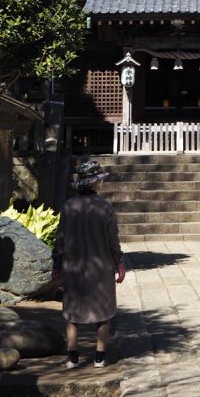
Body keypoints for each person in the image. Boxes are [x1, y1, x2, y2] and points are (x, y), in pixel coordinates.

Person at [52, 158, 125, 369]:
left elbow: (60, 239)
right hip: (101, 267)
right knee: (103, 313)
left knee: (72, 313)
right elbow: (113, 241)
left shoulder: (68, 207)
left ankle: (72, 357)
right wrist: (119, 263)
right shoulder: (105, 207)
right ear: (95, 183)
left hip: (73, 267)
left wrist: (57, 265)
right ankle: (99, 357)